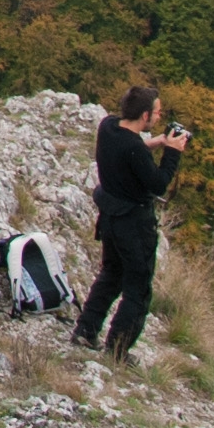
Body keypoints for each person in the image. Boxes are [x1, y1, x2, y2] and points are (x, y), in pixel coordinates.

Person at [75, 83, 187, 357]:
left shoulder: (108, 127)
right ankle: (118, 349)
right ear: (145, 116)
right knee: (138, 287)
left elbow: (129, 148)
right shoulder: (134, 150)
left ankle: (85, 331)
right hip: (134, 225)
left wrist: (159, 141)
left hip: (110, 219)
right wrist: (172, 153)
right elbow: (158, 184)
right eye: (157, 113)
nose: (159, 117)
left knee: (111, 275)